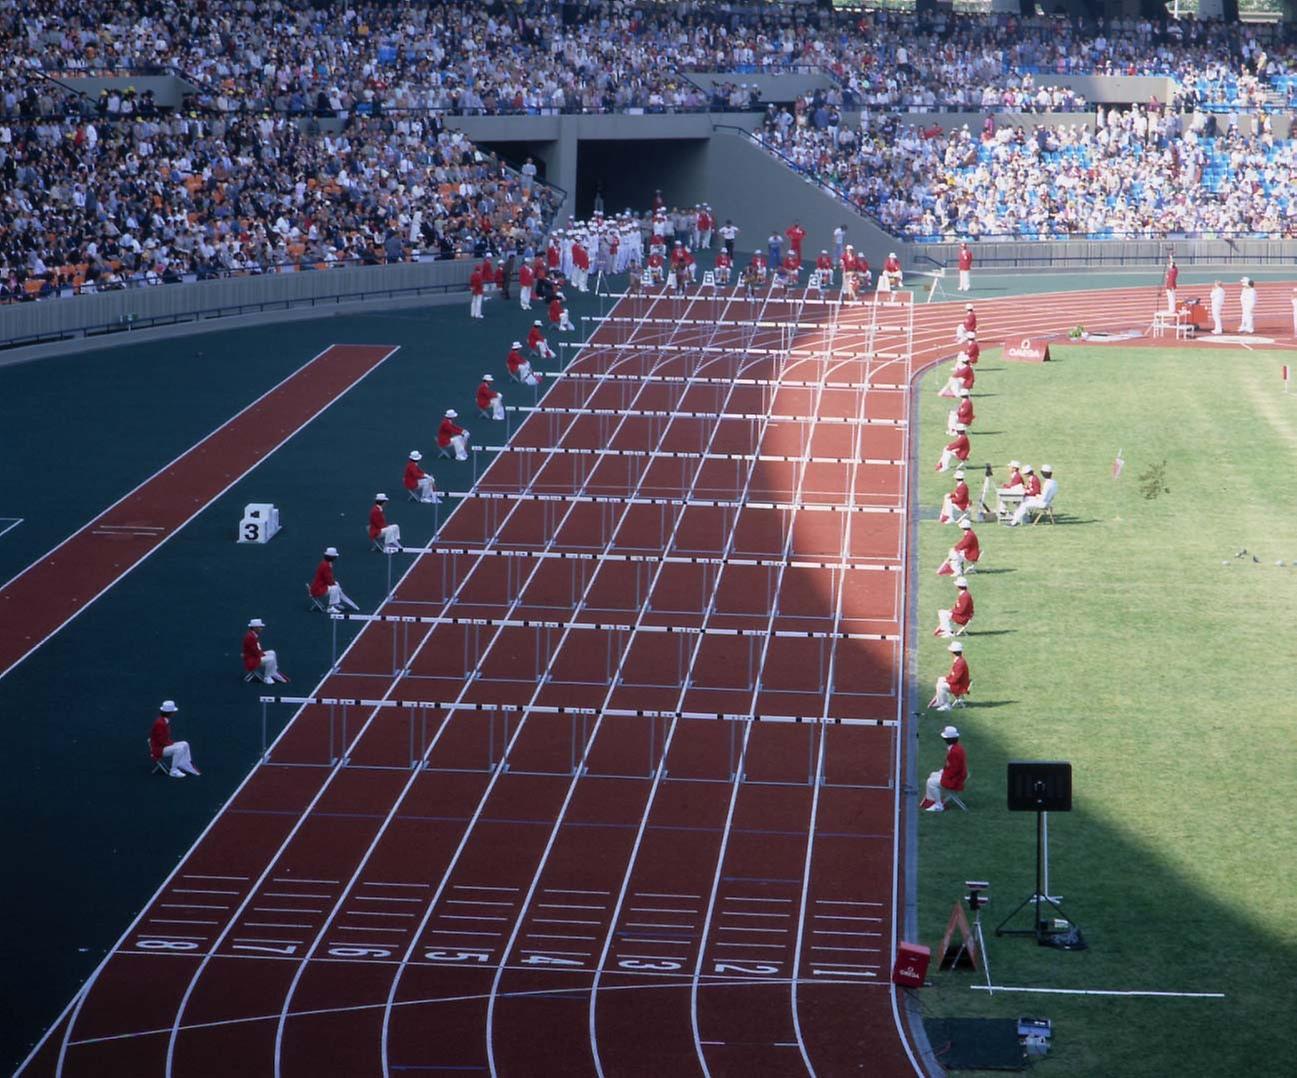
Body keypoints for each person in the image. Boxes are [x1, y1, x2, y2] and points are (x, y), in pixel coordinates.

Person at [920, 725, 968, 811]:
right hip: (957, 776)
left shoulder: (954, 751)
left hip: (955, 780)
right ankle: (932, 801)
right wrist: (942, 771)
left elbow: (954, 770)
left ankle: (938, 805)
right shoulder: (957, 748)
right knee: (933, 774)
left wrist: (943, 775)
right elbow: (952, 767)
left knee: (931, 782)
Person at [149, 700, 200, 778]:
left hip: (163, 746)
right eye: (173, 712)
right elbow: (161, 740)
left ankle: (184, 764)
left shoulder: (164, 721)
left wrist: (170, 743)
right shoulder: (160, 723)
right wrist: (171, 744)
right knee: (179, 749)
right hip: (159, 749)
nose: (174, 713)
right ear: (170, 713)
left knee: (185, 744)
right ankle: (173, 770)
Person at [309, 546, 359, 613]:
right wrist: (335, 585)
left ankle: (335, 604)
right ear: (331, 557)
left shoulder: (325, 563)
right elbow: (329, 580)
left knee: (336, 585)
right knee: (335, 588)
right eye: (334, 557)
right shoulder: (326, 565)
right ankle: (330, 608)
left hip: (318, 586)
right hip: (318, 589)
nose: (335, 558)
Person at [243, 618, 288, 684]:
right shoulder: (250, 637)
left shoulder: (253, 635)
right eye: (260, 627)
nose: (261, 629)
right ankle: (267, 677)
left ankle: (273, 672)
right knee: (270, 659)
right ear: (255, 628)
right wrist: (261, 654)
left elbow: (256, 649)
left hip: (254, 656)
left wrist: (261, 654)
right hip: (252, 659)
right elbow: (255, 651)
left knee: (272, 652)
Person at [927, 642, 970, 711]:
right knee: (940, 679)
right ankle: (939, 701)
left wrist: (947, 680)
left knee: (940, 686)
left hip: (960, 686)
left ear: (952, 652)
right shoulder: (959, 660)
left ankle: (945, 705)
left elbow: (955, 679)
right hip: (959, 683)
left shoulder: (960, 663)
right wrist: (946, 679)